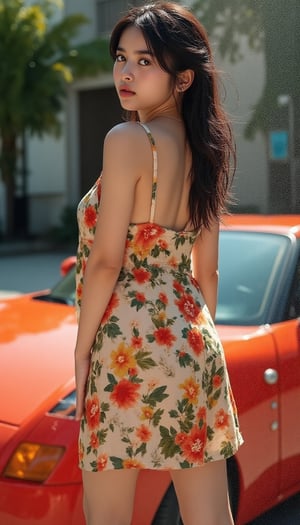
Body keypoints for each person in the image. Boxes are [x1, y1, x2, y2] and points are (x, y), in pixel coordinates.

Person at [74, 2, 243, 524]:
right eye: (121, 57)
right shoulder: (206, 150)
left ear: (184, 77)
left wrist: (82, 355)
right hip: (193, 338)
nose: (125, 71)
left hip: (124, 345)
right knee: (211, 517)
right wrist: (195, 350)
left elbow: (105, 264)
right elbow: (206, 271)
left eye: (145, 61)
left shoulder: (127, 140)